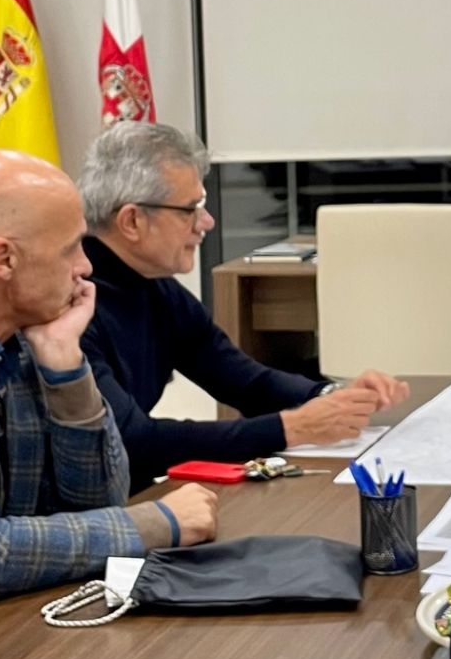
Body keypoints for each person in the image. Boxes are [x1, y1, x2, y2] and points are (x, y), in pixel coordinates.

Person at [0, 150, 217, 610]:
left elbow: (95, 502)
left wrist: (65, 367)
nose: (86, 267)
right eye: (70, 248)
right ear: (5, 259)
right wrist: (158, 523)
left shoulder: (24, 323)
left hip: (12, 616)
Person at [76, 122, 408, 487]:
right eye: (190, 209)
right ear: (133, 220)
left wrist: (331, 397)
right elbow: (133, 441)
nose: (207, 221)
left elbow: (243, 381)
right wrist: (289, 428)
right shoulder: (72, 305)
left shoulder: (154, 287)